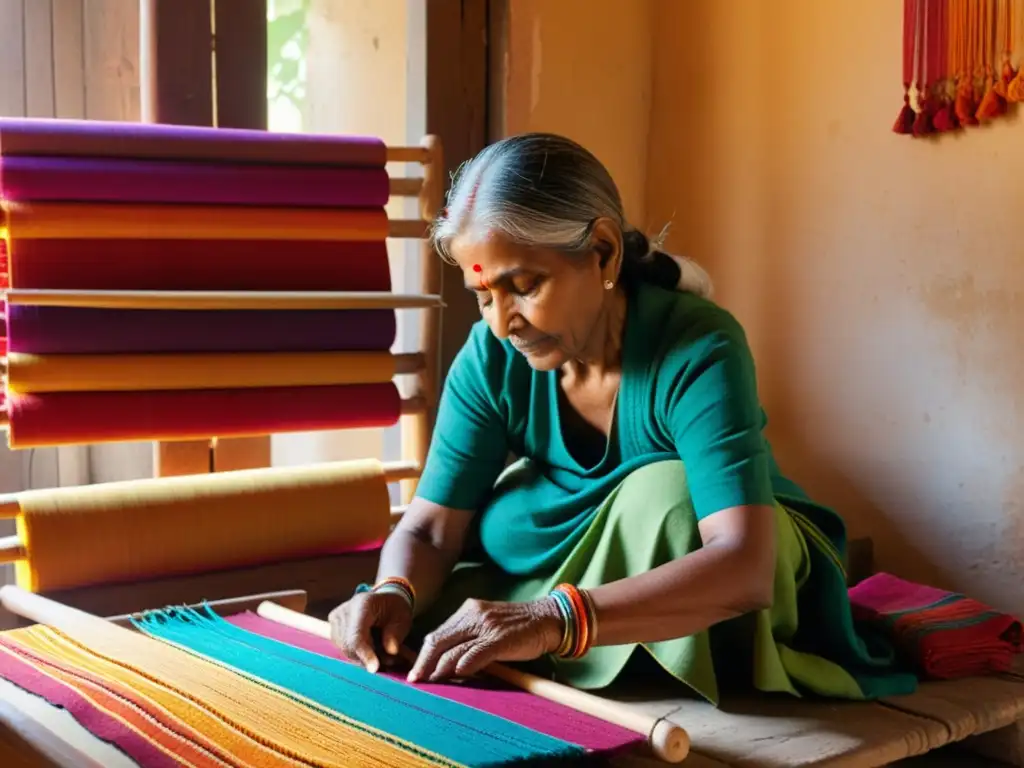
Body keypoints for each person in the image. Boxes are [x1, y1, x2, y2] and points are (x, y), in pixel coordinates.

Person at [328, 133, 917, 704]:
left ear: (603, 253)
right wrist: (394, 591)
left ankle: (581, 643)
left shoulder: (698, 347)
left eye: (524, 286)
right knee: (507, 513)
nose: (503, 322)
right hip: (578, 599)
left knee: (667, 497)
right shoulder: (491, 356)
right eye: (483, 297)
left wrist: (552, 617)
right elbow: (432, 530)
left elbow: (743, 563)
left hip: (727, 586)